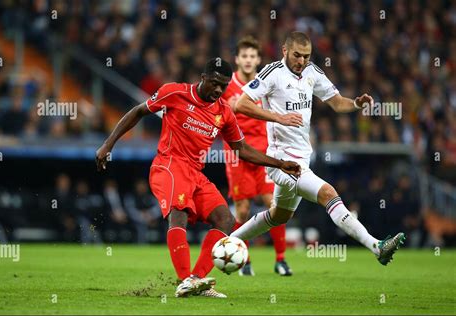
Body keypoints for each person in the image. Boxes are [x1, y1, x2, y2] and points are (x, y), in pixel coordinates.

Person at [96, 58, 300, 298]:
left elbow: (242, 149)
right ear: (203, 78)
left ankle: (196, 279)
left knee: (225, 219)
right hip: (169, 165)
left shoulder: (224, 111)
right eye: (214, 83)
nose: (218, 90)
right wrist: (108, 144)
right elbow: (139, 111)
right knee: (178, 214)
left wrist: (279, 164)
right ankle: (184, 280)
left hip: (195, 172)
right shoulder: (174, 92)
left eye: (223, 86)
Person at [231, 32, 405, 267]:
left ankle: (229, 241)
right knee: (328, 194)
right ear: (284, 51)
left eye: (306, 56)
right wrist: (278, 117)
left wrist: (355, 103)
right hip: (282, 161)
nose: (301, 61)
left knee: (279, 215)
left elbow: (336, 102)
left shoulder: (312, 72)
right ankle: (377, 246)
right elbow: (242, 104)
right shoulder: (272, 73)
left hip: (303, 159)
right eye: (296, 55)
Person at [223, 36, 291, 276]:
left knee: (273, 203)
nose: (249, 60)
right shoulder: (226, 87)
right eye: (244, 56)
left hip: (264, 153)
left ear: (258, 59)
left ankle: (281, 259)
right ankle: (245, 261)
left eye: (253, 56)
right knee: (241, 209)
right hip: (237, 155)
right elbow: (216, 119)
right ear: (237, 60)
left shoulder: (266, 84)